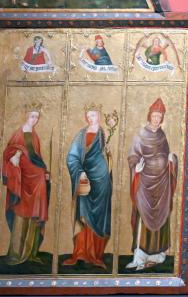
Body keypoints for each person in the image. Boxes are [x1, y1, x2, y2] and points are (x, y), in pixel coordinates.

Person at [126, 98, 178, 270]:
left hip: (162, 184)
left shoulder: (162, 135)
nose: (156, 119)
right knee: (143, 216)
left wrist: (171, 160)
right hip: (145, 184)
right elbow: (133, 155)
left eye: (159, 117)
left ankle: (157, 255)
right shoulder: (141, 135)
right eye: (154, 116)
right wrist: (136, 167)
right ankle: (139, 257)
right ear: (149, 116)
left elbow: (166, 154)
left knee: (161, 218)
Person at [63, 107, 113, 268]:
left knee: (100, 217)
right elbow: (72, 157)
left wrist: (109, 154)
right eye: (88, 115)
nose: (90, 118)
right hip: (85, 179)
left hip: (102, 180)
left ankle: (96, 254)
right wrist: (80, 172)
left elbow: (106, 157)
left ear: (99, 116)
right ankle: (82, 252)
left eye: (93, 115)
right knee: (84, 213)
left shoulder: (104, 134)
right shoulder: (81, 135)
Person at [2, 105, 50, 265]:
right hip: (23, 179)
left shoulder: (34, 135)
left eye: (37, 117)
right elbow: (10, 151)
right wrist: (15, 155)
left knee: (35, 212)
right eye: (32, 116)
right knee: (21, 212)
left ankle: (31, 252)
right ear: (26, 116)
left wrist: (44, 170)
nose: (34, 120)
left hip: (36, 179)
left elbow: (36, 157)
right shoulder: (19, 132)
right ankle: (16, 253)